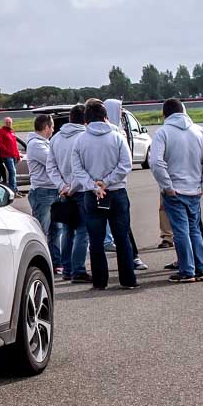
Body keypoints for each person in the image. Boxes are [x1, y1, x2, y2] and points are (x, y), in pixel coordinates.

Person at [149, 99, 203, 283]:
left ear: (165, 114)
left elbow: (155, 162)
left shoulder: (163, 132)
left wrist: (167, 185)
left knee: (181, 231)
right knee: (194, 229)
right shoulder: (200, 131)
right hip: (194, 189)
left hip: (175, 190)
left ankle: (187, 270)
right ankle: (201, 267)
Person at [72, 101, 138, 290]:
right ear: (105, 116)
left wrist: (94, 186)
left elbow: (77, 170)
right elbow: (126, 164)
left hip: (92, 195)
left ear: (86, 119)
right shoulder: (117, 137)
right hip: (116, 192)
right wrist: (107, 182)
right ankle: (128, 279)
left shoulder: (80, 140)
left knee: (96, 240)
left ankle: (100, 281)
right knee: (122, 237)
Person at [102, 98, 148, 271]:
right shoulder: (115, 134)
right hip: (111, 187)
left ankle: (131, 259)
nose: (122, 113)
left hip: (104, 186)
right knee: (119, 227)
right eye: (119, 110)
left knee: (122, 227)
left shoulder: (118, 131)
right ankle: (129, 263)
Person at [50, 104, 90, 283]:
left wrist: (61, 186)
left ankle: (66, 269)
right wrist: (72, 187)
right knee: (83, 231)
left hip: (64, 191)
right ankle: (78, 270)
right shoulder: (84, 137)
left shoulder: (56, 137)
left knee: (67, 231)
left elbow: (50, 166)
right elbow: (83, 168)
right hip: (80, 190)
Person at [25, 114, 61, 269]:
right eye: (52, 127)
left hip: (53, 190)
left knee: (56, 230)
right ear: (46, 127)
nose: (53, 130)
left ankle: (56, 263)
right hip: (42, 192)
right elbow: (53, 162)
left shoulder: (45, 143)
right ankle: (40, 264)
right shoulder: (35, 144)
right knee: (42, 231)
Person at [0, 116, 21, 194]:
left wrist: (18, 155)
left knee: (14, 172)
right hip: (7, 156)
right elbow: (0, 144)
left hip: (14, 156)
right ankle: (13, 189)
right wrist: (8, 152)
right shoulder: (1, 131)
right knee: (12, 171)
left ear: (12, 123)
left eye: (9, 122)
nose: (8, 124)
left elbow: (15, 145)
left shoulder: (12, 132)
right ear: (4, 123)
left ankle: (15, 189)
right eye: (7, 122)